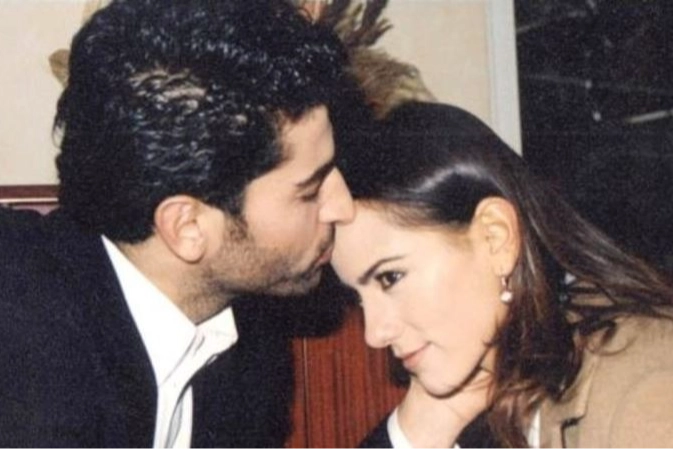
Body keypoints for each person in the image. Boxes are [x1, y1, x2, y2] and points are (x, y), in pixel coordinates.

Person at [0, 0, 357, 448]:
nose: (343, 207)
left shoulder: (248, 342)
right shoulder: (22, 344)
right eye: (310, 190)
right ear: (187, 227)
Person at [332, 101, 673, 449]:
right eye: (358, 298)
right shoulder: (491, 378)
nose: (374, 334)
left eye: (390, 277)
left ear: (495, 239)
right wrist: (421, 427)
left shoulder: (647, 387)